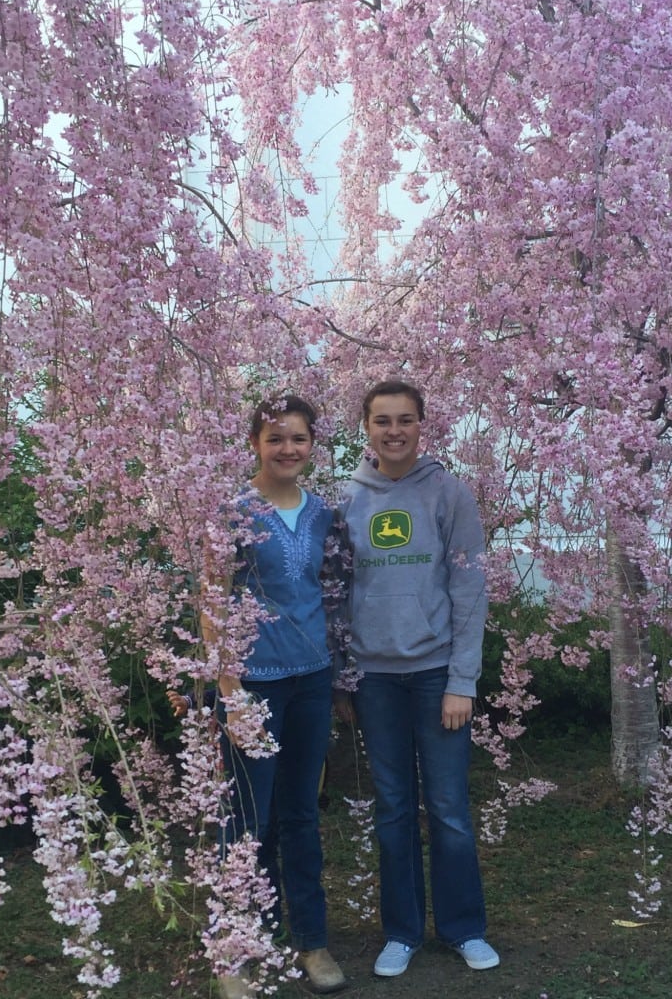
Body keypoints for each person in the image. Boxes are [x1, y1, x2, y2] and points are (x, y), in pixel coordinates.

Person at [336, 379, 498, 978]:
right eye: (383, 421)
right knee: (394, 808)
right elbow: (337, 595)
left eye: (405, 420)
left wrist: (463, 679)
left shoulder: (449, 494)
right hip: (374, 680)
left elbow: (469, 588)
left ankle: (463, 928)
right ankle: (401, 931)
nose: (394, 431)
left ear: (422, 425)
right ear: (367, 428)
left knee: (450, 807)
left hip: (436, 675)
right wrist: (343, 679)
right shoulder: (347, 499)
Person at [202, 394, 346, 997]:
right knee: (245, 819)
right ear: (255, 445)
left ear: (313, 445)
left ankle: (310, 942)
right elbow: (211, 602)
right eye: (275, 438)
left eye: (298, 439)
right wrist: (229, 691)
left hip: (312, 680)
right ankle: (236, 948)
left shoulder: (324, 516)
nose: (287, 449)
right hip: (253, 684)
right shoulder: (231, 513)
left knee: (301, 816)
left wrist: (341, 680)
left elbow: (331, 597)